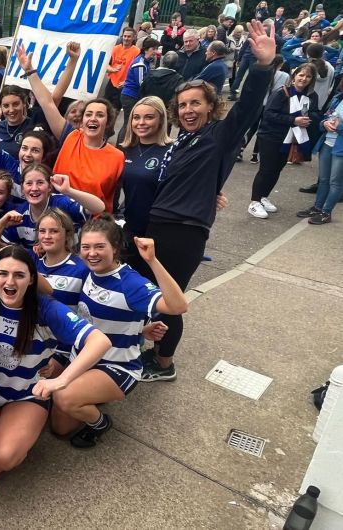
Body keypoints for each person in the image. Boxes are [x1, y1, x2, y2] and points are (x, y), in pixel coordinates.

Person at [141, 19, 276, 381]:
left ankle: (164, 364)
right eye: (183, 105)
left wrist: (262, 66)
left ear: (210, 105)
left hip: (185, 231)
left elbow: (247, 107)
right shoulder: (179, 141)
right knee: (151, 296)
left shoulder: (220, 135)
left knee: (170, 301)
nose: (188, 110)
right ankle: (149, 348)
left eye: (195, 103)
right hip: (158, 223)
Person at [0, 245, 112, 471]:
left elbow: (100, 341)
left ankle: (23, 429)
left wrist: (61, 380)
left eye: (19, 275)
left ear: (32, 279)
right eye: (3, 274)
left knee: (3, 458)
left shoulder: (46, 309)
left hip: (27, 394)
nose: (10, 282)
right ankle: (9, 430)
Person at [50, 218, 187, 447]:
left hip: (116, 365)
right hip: (83, 356)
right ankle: (90, 394)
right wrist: (140, 330)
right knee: (59, 427)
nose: (92, 253)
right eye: (86, 247)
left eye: (99, 247)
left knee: (63, 398)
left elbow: (178, 306)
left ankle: (101, 423)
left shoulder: (129, 283)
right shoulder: (90, 271)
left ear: (115, 247)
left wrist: (152, 261)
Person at [21, 43, 125, 212]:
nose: (93, 118)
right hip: (57, 218)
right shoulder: (70, 136)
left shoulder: (117, 157)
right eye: (89, 114)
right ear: (82, 120)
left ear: (108, 122)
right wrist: (30, 71)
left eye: (100, 115)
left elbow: (112, 198)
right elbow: (48, 103)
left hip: (91, 225)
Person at [248, 63, 320, 219]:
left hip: (292, 139)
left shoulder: (312, 96)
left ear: (312, 79)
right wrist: (293, 120)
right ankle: (254, 202)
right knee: (266, 170)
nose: (304, 79)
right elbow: (269, 114)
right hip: (271, 136)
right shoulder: (281, 93)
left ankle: (263, 197)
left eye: (308, 76)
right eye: (301, 75)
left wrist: (311, 119)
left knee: (277, 169)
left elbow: (315, 112)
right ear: (294, 76)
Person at [0, 163, 105, 249]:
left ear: (49, 187)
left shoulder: (61, 203)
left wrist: (68, 190)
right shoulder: (19, 214)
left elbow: (99, 207)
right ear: (22, 189)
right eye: (29, 183)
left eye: (40, 183)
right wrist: (0, 225)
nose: (34, 188)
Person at [117, 96, 173, 274]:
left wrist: (212, 195)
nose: (141, 122)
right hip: (132, 227)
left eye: (149, 117)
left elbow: (190, 181)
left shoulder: (173, 151)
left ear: (161, 120)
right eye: (136, 117)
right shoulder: (125, 150)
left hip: (160, 230)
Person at [297, 86, 343, 224]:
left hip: (340, 148)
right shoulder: (338, 98)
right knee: (323, 179)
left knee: (335, 182)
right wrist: (325, 123)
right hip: (327, 143)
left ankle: (326, 212)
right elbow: (324, 118)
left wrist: (338, 126)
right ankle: (317, 208)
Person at [237, 56, 289, 163]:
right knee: (262, 130)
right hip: (272, 106)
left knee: (252, 127)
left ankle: (240, 150)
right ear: (281, 64)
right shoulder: (285, 76)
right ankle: (255, 155)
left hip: (259, 104)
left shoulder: (265, 73)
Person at [119, 38, 161, 141]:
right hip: (130, 96)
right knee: (128, 123)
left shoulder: (144, 61)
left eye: (156, 49)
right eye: (154, 49)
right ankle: (121, 146)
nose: (156, 52)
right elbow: (142, 84)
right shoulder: (140, 64)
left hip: (131, 95)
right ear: (146, 49)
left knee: (128, 122)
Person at [106, 27, 141, 110]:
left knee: (115, 110)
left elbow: (137, 72)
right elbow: (106, 65)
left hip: (124, 86)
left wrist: (126, 82)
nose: (126, 38)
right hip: (111, 83)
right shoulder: (115, 49)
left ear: (134, 37)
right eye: (125, 36)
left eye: (129, 36)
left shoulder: (137, 52)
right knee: (105, 107)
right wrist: (113, 69)